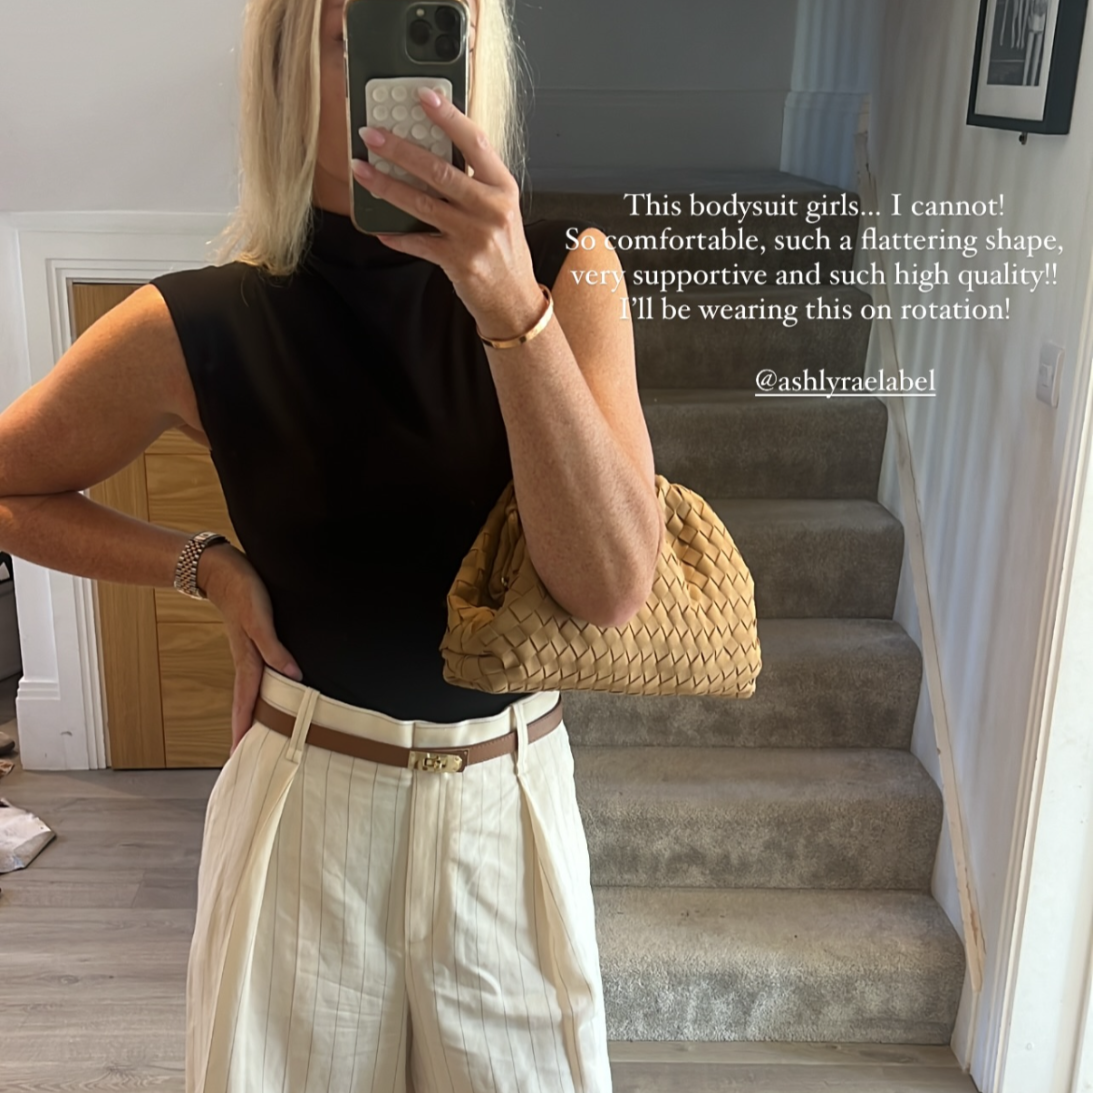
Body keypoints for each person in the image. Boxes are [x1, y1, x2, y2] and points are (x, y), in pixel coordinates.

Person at [0, 0, 661, 1089]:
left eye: (438, 23)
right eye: (364, 31)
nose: (416, 76)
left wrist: (502, 300)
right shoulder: (197, 322)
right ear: (284, 63)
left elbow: (609, 589)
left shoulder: (569, 276)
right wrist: (204, 568)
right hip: (307, 810)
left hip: (506, 815)